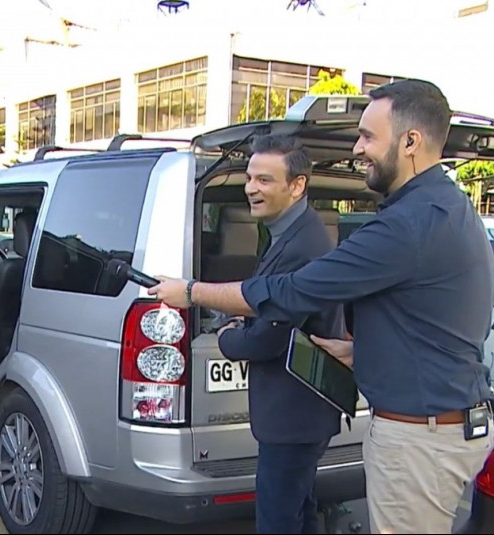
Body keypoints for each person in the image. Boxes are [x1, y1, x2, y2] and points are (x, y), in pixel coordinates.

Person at [148, 79, 494, 534]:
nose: (358, 148)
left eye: (369, 135)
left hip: (418, 439)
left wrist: (192, 291)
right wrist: (363, 350)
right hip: (440, 427)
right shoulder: (447, 208)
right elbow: (436, 324)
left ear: (410, 142)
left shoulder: (408, 225)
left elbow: (289, 292)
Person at [214, 134, 345, 533]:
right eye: (250, 178)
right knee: (300, 514)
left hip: (294, 417)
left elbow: (267, 338)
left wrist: (227, 335)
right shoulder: (294, 232)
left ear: (297, 185)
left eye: (265, 180)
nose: (251, 188)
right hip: (300, 417)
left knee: (277, 521)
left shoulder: (300, 245)